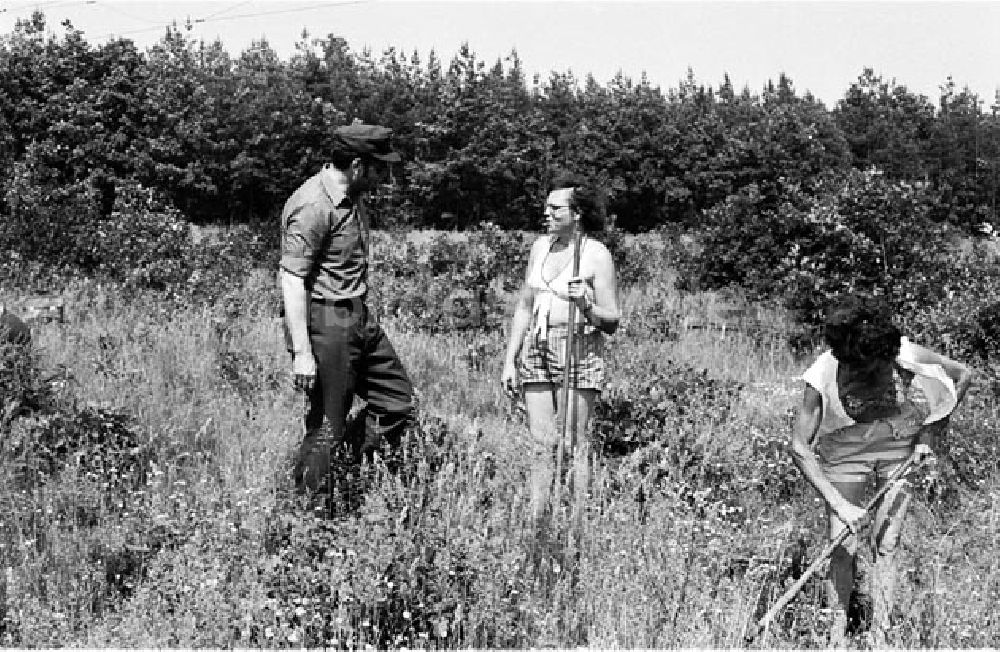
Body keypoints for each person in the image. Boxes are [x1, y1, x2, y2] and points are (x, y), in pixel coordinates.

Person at [791, 295, 973, 647]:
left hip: (898, 448)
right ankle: (836, 639)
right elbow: (800, 448)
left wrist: (929, 434)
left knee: (886, 543)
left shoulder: (900, 352)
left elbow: (962, 374)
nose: (875, 372)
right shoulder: (822, 374)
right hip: (843, 450)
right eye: (865, 368)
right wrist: (841, 506)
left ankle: (881, 636)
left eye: (880, 364)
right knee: (841, 542)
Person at [279, 124, 414, 493]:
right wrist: (303, 352)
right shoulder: (313, 205)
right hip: (327, 320)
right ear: (357, 165)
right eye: (379, 168)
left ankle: (343, 466)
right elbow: (292, 279)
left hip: (357, 316)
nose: (385, 178)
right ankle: (307, 511)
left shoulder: (350, 196)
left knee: (397, 402)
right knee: (327, 424)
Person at [501, 173, 620, 525]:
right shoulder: (540, 247)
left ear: (577, 213)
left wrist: (586, 306)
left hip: (577, 346)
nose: (547, 213)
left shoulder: (596, 256)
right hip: (536, 346)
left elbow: (612, 320)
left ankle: (577, 521)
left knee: (572, 442)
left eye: (556, 208)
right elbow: (524, 305)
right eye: (546, 207)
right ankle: (538, 518)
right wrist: (510, 359)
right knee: (541, 443)